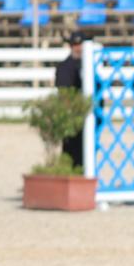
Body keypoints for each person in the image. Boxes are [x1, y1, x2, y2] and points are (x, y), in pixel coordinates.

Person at [54, 31, 87, 169]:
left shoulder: (90, 66)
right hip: (72, 115)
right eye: (75, 45)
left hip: (87, 115)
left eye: (80, 45)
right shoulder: (64, 67)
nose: (78, 48)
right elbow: (63, 92)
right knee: (71, 150)